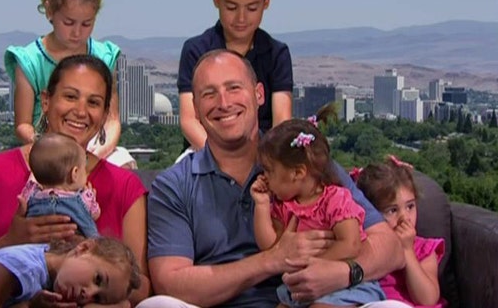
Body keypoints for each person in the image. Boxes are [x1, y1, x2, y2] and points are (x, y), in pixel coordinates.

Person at [139, 49, 408, 308]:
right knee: (156, 306)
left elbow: (390, 248)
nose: (223, 103)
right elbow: (170, 283)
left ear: (259, 95)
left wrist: (345, 273)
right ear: (195, 108)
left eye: (234, 88)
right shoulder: (173, 186)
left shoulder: (306, 165)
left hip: (319, 298)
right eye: (209, 94)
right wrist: (272, 259)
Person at [0, 55, 150, 307]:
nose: (80, 111)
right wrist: (8, 243)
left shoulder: (125, 187)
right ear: (46, 101)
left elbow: (140, 289)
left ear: (103, 115)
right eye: (70, 96)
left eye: (94, 102)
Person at [4, 0, 133, 167]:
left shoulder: (104, 56)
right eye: (69, 22)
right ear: (49, 11)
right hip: (45, 148)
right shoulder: (30, 60)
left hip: (93, 148)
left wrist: (94, 155)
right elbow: (23, 125)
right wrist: (52, 147)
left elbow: (112, 121)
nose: (77, 32)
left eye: (86, 24)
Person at [251, 108, 384, 307]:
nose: (264, 177)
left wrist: (317, 265)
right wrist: (261, 205)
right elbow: (270, 245)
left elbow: (351, 244)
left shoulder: (335, 200)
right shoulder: (284, 205)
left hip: (342, 285)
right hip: (300, 286)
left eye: (269, 170)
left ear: (298, 173)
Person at [176, 0, 293, 161]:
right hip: (204, 149)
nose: (241, 18)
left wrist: (262, 159)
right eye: (231, 7)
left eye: (252, 8)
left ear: (267, 1)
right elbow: (189, 121)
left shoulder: (277, 53)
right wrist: (224, 158)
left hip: (263, 155)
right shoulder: (195, 50)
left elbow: (282, 123)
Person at [0, 237, 141, 307]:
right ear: (83, 247)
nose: (87, 295)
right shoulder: (20, 268)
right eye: (97, 278)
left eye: (98, 298)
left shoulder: (48, 264)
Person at [354, 156, 446, 307]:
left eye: (410, 206)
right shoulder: (366, 248)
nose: (404, 218)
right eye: (392, 210)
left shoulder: (424, 250)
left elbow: (427, 299)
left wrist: (407, 250)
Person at [22, 132, 101, 238]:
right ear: (75, 173)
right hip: (74, 246)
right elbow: (95, 214)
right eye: (84, 168)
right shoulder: (82, 199)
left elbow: (23, 202)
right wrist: (91, 197)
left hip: (37, 246)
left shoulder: (32, 194)